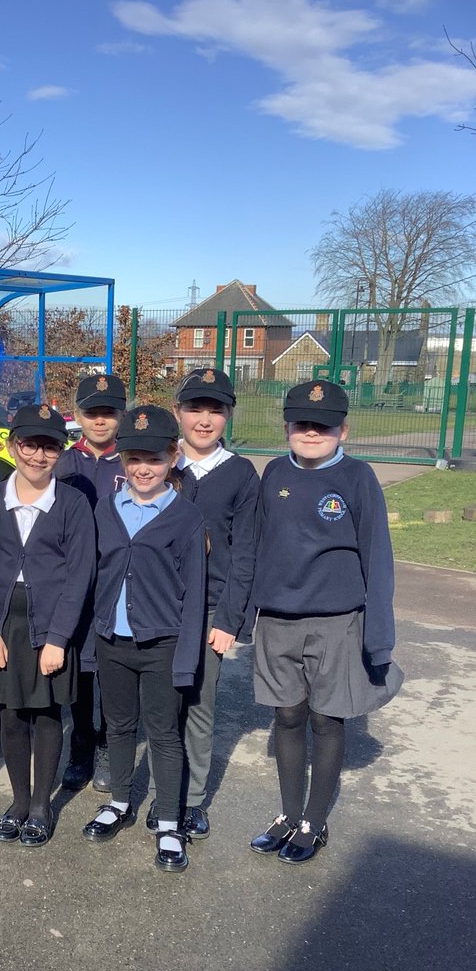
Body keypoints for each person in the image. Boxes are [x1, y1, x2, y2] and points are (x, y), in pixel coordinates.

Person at [249, 380, 403, 864]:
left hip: (336, 622)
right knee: (287, 716)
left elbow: (377, 557)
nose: (312, 432)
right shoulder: (274, 473)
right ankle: (288, 814)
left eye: (324, 425)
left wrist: (379, 637)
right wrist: (245, 613)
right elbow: (257, 545)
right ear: (286, 427)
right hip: (277, 620)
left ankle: (314, 822)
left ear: (344, 430)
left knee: (325, 719)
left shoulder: (358, 478)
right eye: (302, 423)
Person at [85, 405, 207, 874]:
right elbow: (95, 577)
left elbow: (194, 594)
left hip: (162, 645)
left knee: (163, 733)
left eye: (154, 459)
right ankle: (119, 801)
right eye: (134, 458)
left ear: (172, 458)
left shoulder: (186, 517)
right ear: (122, 459)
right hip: (112, 641)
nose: (143, 468)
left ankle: (170, 822)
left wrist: (185, 659)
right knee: (118, 726)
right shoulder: (106, 509)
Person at [0, 403, 95, 847]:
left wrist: (59, 639)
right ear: (11, 446)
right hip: (5, 624)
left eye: (50, 447)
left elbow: (80, 575)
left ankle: (42, 805)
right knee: (11, 714)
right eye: (29, 445)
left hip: (51, 623)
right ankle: (19, 801)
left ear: (60, 451)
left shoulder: (72, 504)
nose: (38, 456)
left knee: (46, 714)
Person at [145, 367, 258, 841]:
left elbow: (246, 553)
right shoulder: (159, 463)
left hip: (209, 610)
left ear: (229, 415)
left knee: (198, 707)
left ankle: (190, 801)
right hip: (158, 607)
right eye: (195, 409)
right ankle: (162, 793)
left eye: (217, 410)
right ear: (177, 412)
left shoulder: (240, 474)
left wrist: (231, 619)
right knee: (161, 707)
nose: (205, 420)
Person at [54, 373, 128, 794]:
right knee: (80, 670)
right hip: (74, 583)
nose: (100, 421)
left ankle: (107, 744)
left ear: (121, 415)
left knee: (113, 672)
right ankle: (80, 744)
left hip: (118, 582)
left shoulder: (133, 460)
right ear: (77, 415)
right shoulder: (64, 462)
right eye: (92, 413)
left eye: (109, 413)